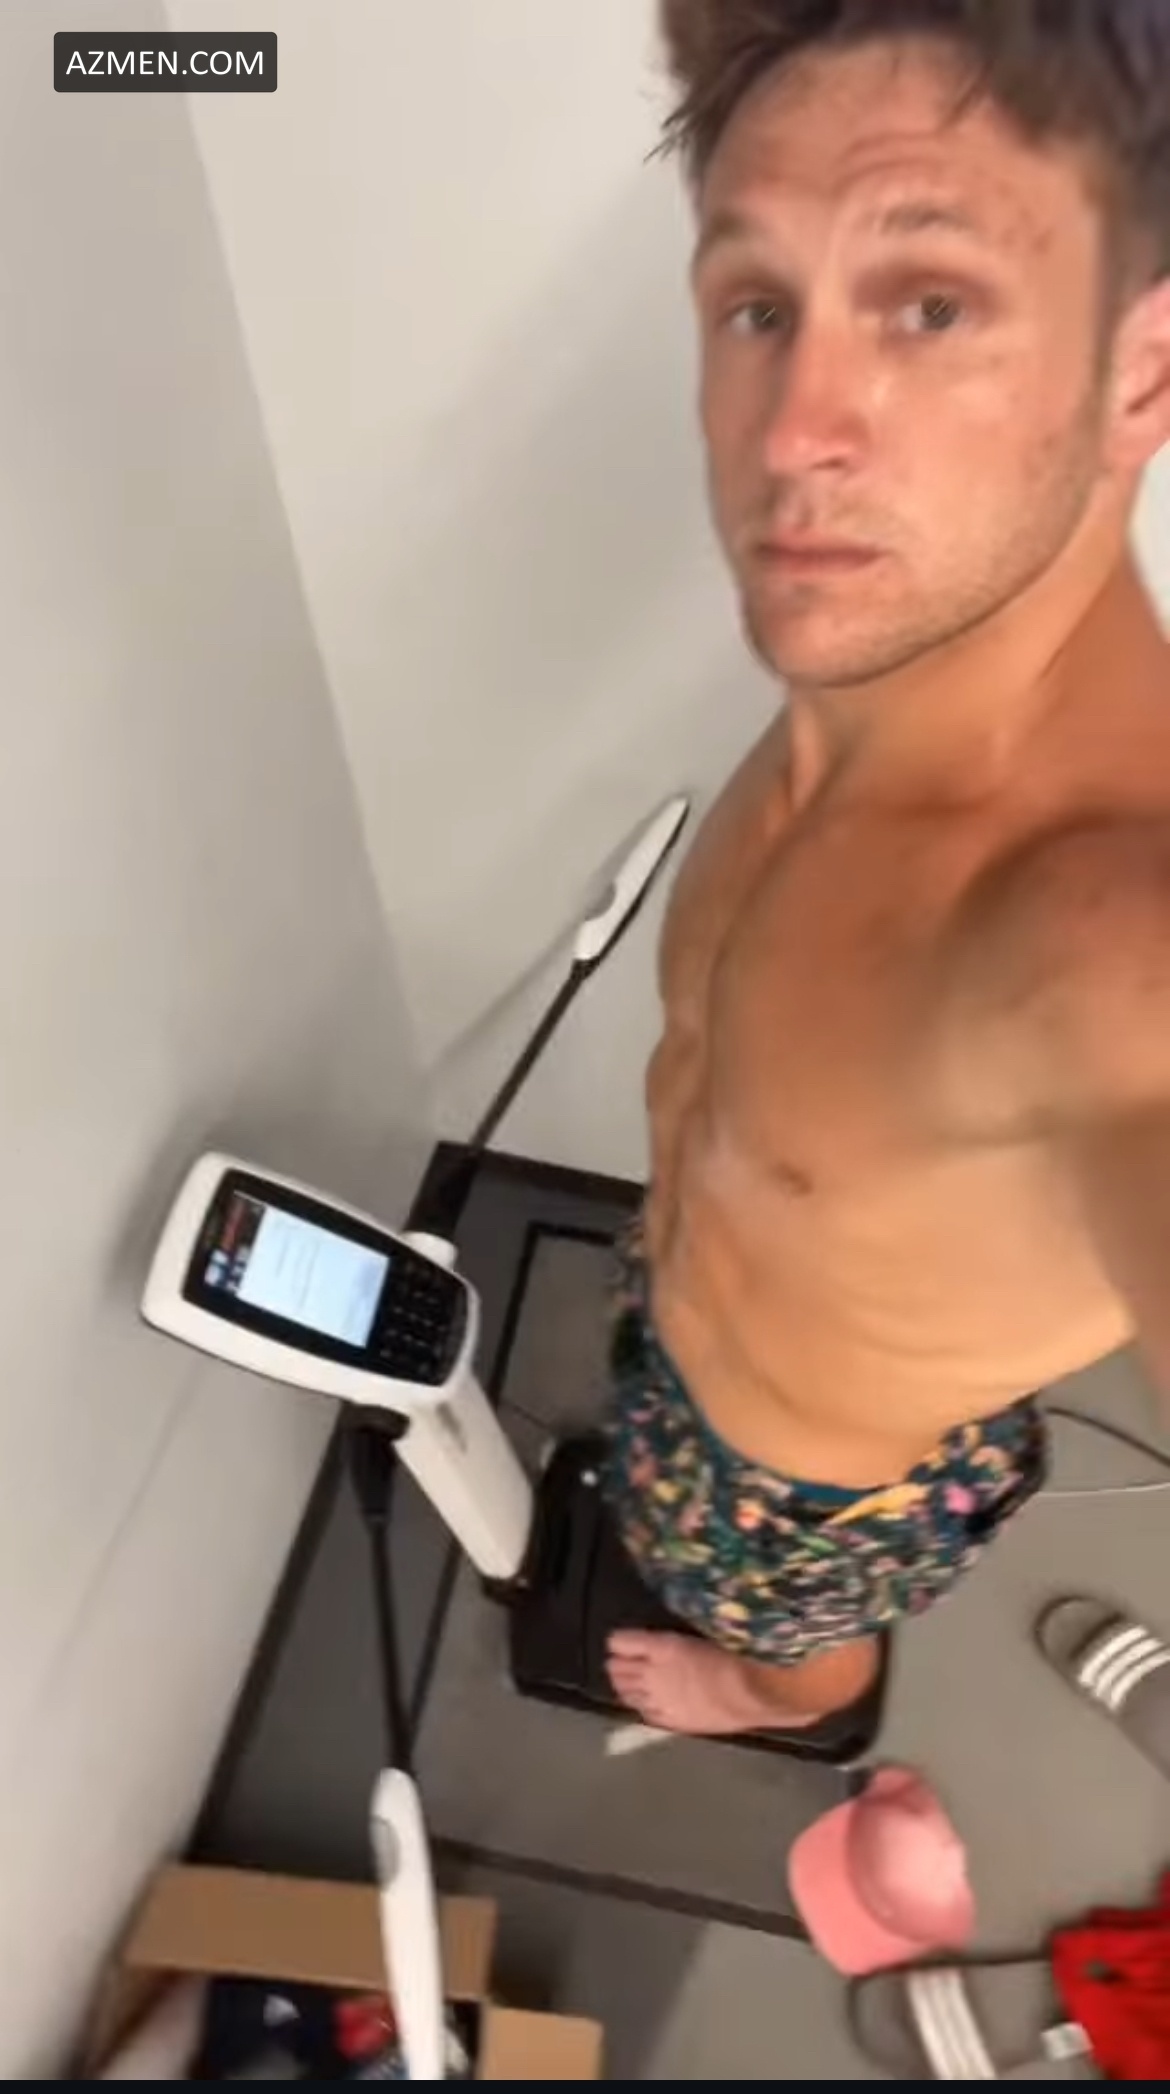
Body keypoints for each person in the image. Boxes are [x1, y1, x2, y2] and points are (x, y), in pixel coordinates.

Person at [602, 0, 1170, 1738]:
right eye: (757, 306)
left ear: (1141, 371)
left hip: (814, 1501)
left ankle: (780, 1702)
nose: (792, 433)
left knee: (795, 1645)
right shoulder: (859, 691)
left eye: (930, 305)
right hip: (686, 1328)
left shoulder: (1098, 938)